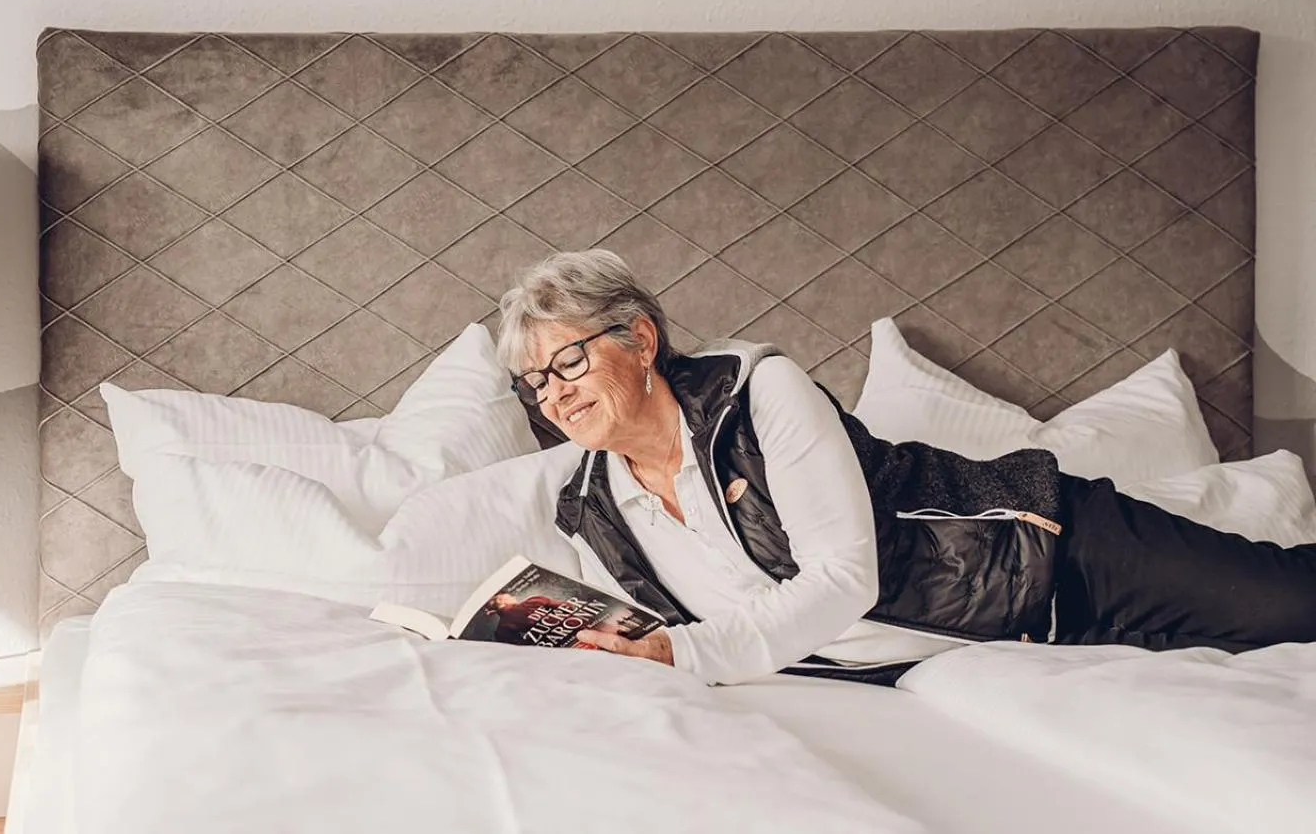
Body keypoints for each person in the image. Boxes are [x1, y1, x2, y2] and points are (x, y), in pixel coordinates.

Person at [497, 249, 1316, 686]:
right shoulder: (591, 509)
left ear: (640, 340)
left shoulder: (759, 394)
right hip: (987, 657)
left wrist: (688, 655)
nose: (554, 395)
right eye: (535, 382)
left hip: (1055, 558)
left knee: (1290, 605)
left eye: (567, 362)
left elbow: (846, 577)